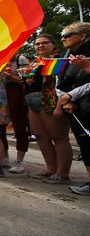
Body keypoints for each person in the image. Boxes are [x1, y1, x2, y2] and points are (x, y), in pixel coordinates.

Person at [24, 34, 72, 183]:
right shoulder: (35, 62)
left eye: (45, 43)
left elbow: (64, 83)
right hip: (32, 101)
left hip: (50, 101)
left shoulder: (59, 60)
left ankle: (62, 173)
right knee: (41, 137)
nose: (40, 46)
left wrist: (60, 105)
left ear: (53, 45)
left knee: (59, 137)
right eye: (37, 44)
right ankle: (51, 169)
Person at [55, 22, 90, 195]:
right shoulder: (68, 54)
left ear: (82, 36)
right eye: (62, 35)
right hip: (72, 106)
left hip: (86, 102)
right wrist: (64, 98)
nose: (63, 38)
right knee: (84, 143)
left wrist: (71, 95)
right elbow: (60, 79)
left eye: (67, 34)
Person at [2, 53, 30, 173]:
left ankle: (19, 161)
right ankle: (3, 156)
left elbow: (28, 80)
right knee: (0, 127)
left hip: (16, 94)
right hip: (1, 94)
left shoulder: (21, 59)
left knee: (19, 126)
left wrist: (11, 77)